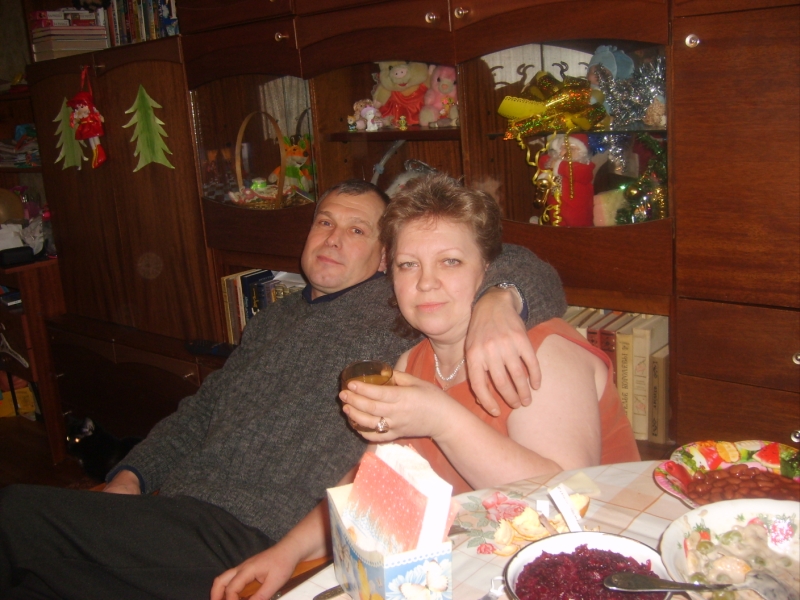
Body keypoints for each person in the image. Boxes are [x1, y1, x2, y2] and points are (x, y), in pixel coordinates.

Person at [0, 180, 566, 600]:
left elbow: (508, 256)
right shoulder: (272, 318)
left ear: (385, 258)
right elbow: (201, 412)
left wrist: (502, 298)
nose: (333, 238)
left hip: (256, 533)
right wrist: (132, 476)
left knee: (13, 517)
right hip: (173, 512)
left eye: (358, 230)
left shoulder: (398, 306)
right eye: (324, 222)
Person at [212, 175, 638, 600]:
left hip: (599, 575)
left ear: (488, 271)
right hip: (480, 575)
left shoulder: (540, 351)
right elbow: (372, 487)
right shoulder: (411, 363)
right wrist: (287, 552)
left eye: (450, 261)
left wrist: (441, 419)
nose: (426, 282)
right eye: (408, 264)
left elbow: (563, 502)